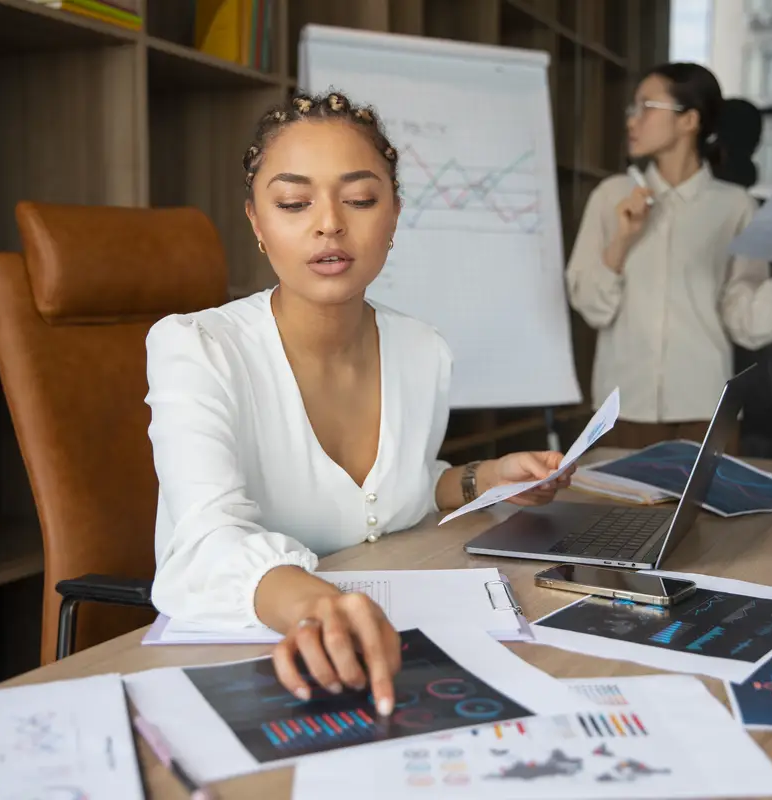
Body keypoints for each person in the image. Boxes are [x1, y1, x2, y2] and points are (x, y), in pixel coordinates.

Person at [143, 90, 573, 718]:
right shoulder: (196, 349)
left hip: (389, 653)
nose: (329, 224)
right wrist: (312, 604)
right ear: (258, 224)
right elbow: (207, 537)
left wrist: (483, 478)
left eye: (360, 199)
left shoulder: (423, 350)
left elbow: (391, 494)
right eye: (294, 202)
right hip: (244, 658)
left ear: (394, 216)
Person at [565, 62, 772, 449]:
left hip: (705, 412)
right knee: (618, 513)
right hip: (621, 412)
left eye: (646, 106)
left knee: (709, 512)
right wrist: (622, 240)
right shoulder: (611, 198)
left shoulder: (735, 206)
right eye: (632, 108)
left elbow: (742, 318)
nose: (631, 120)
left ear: (689, 120)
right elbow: (592, 308)